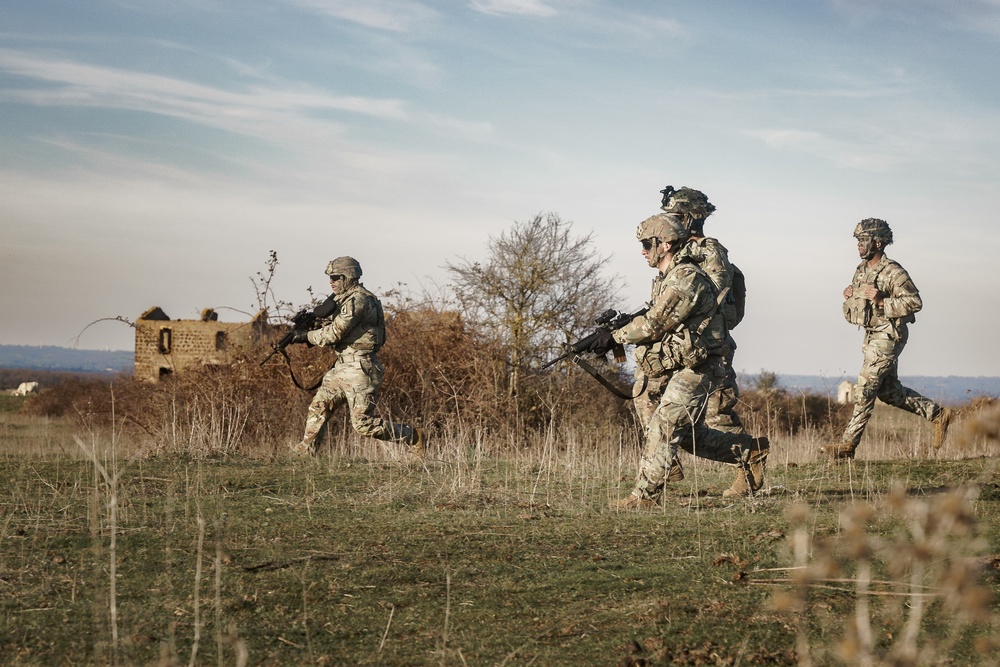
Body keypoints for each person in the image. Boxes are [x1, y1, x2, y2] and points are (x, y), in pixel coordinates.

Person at [608, 214, 769, 509]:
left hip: (701, 366)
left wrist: (617, 337)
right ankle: (749, 451)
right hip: (685, 363)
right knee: (687, 436)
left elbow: (655, 324)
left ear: (666, 244)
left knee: (665, 424)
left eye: (647, 244)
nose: (643, 250)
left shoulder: (686, 277)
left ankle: (644, 497)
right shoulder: (667, 278)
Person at [821, 219, 952, 460]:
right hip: (872, 336)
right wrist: (850, 294)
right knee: (889, 392)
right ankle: (937, 414)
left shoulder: (894, 271)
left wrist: (883, 300)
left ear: (878, 242)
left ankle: (847, 445)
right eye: (858, 241)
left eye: (863, 241)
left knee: (865, 388)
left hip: (890, 335)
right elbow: (861, 302)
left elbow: (915, 302)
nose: (859, 246)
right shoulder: (861, 270)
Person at [289, 256, 426, 459]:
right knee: (319, 407)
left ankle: (413, 436)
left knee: (363, 425)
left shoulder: (358, 300)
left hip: (360, 368)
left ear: (348, 276)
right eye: (330, 277)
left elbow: (335, 333)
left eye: (336, 277)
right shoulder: (341, 299)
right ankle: (305, 453)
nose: (331, 281)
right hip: (342, 365)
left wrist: (305, 336)